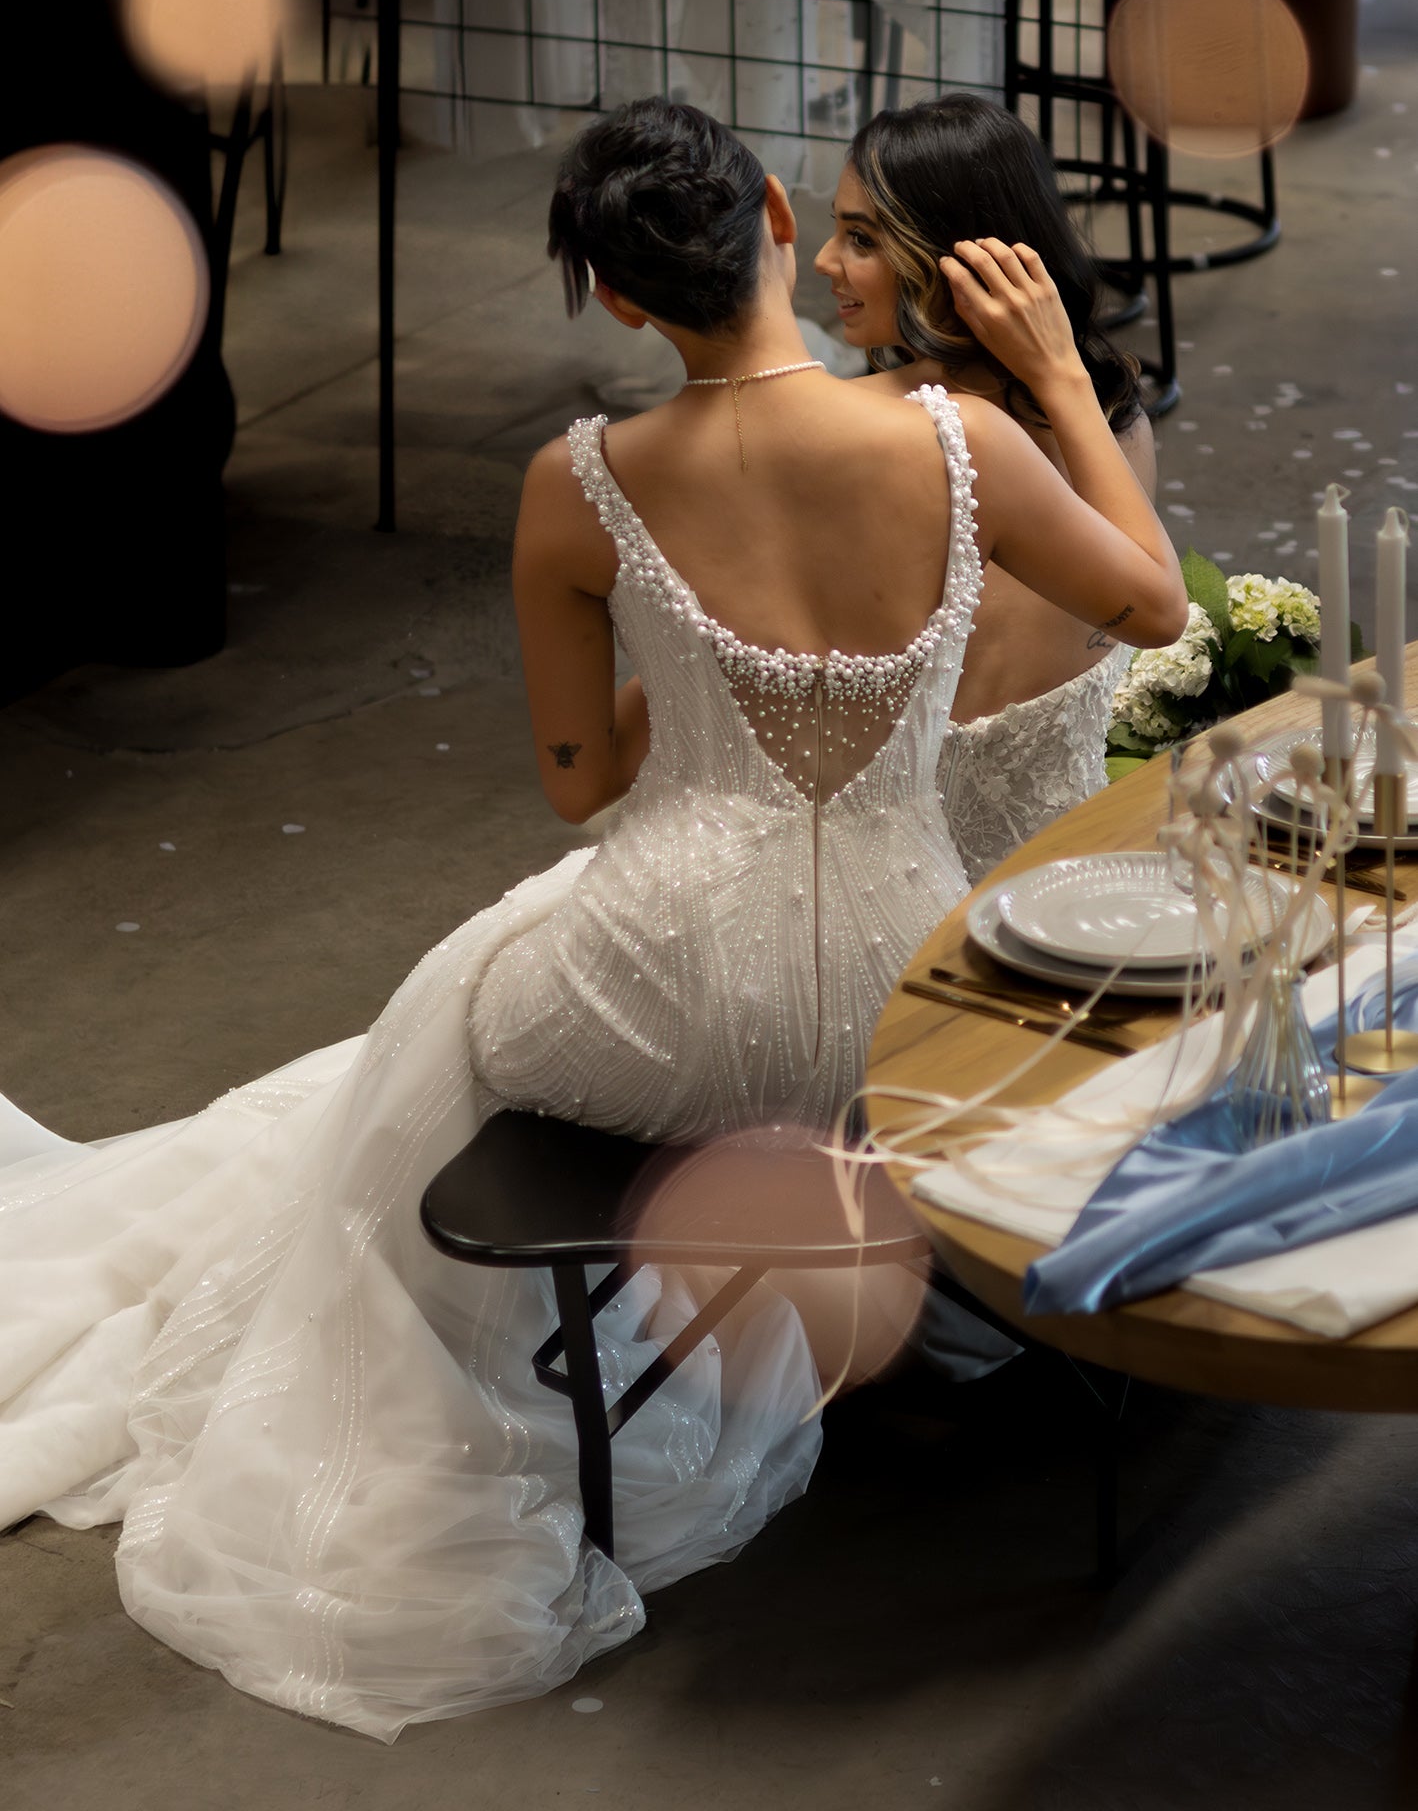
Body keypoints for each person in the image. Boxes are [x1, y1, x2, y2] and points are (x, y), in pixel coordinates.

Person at [0, 99, 1185, 1742]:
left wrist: (690, 651)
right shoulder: (957, 446)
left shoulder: (579, 487)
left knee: (447, 1003)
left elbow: (578, 781)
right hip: (909, 988)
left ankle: (460, 1376)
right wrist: (1053, 370)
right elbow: (1155, 602)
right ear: (775, 214)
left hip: (664, 986)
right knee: (503, 987)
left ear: (616, 300)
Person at [815, 94, 1158, 883]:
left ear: (959, 262)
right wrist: (1061, 373)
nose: (826, 261)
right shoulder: (1117, 421)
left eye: (860, 237)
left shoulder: (870, 434)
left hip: (892, 875)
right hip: (1078, 863)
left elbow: (1154, 612)